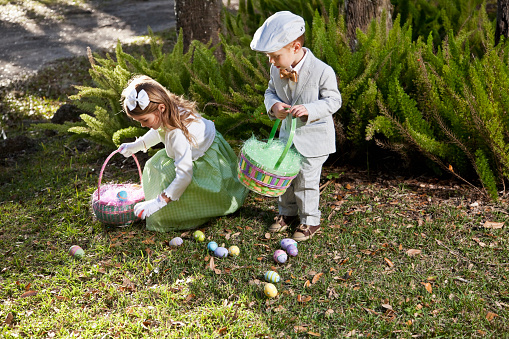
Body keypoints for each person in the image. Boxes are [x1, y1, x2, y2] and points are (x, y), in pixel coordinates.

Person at [250, 11, 342, 241]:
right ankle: (287, 213)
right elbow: (270, 91)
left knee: (306, 180)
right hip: (287, 138)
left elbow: (333, 101)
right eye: (269, 56)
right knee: (286, 176)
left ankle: (310, 220)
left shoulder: (322, 71)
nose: (271, 61)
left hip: (313, 139)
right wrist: (274, 107)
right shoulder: (276, 68)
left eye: (275, 55)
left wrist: (310, 109)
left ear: (295, 46)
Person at [117, 75, 248, 232]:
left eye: (144, 120)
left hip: (204, 156)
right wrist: (136, 145)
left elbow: (185, 174)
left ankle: (197, 207)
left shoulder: (177, 134)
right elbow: (158, 131)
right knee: (155, 166)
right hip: (189, 150)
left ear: (161, 109)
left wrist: (158, 203)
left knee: (181, 186)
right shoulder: (167, 109)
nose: (142, 125)